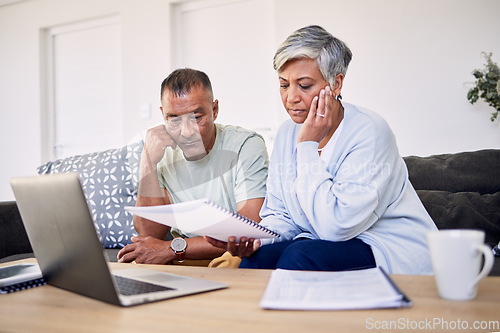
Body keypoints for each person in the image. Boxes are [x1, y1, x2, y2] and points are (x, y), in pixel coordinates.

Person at [207, 25, 437, 274]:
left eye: (304, 85)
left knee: (300, 257)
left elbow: (337, 227)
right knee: (257, 260)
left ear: (336, 83)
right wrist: (255, 240)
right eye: (284, 85)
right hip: (323, 242)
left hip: (386, 245)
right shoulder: (287, 133)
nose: (291, 97)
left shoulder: (369, 131)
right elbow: (281, 214)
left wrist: (307, 146)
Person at [118, 68, 268, 265]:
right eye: (174, 119)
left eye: (196, 117)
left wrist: (172, 248)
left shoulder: (246, 145)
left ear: (214, 110)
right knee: (136, 264)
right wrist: (148, 162)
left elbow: (247, 232)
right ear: (163, 115)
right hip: (184, 257)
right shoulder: (160, 152)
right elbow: (149, 233)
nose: (187, 132)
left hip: (231, 253)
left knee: (232, 262)